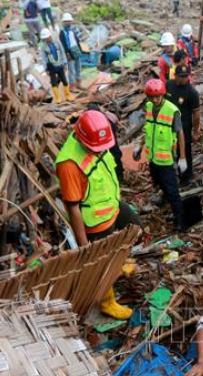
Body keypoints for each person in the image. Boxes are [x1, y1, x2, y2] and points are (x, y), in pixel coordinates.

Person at [55, 110, 141, 319]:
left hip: (112, 206)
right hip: (95, 221)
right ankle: (107, 301)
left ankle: (119, 264)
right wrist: (84, 243)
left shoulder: (98, 140)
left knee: (134, 225)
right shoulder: (69, 164)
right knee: (102, 261)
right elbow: (72, 206)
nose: (100, 151)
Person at [136, 79, 187, 231]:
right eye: (152, 97)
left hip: (166, 160)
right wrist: (140, 145)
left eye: (158, 96)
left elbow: (180, 134)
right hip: (153, 158)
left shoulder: (172, 110)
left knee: (173, 191)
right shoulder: (150, 107)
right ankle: (165, 201)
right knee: (159, 183)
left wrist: (182, 157)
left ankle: (180, 220)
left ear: (163, 94)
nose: (155, 100)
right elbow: (148, 129)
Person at [166, 65, 200, 186]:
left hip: (184, 126)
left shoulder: (192, 92)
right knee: (169, 148)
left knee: (184, 150)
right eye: (181, 76)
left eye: (186, 76)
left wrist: (196, 131)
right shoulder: (169, 85)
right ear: (175, 75)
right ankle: (171, 173)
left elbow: (196, 113)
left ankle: (186, 176)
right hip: (168, 123)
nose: (184, 79)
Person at [40, 28, 74, 103]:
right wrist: (46, 69)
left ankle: (68, 95)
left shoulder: (57, 41)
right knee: (53, 82)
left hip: (60, 65)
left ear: (50, 36)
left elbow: (62, 52)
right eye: (45, 39)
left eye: (47, 38)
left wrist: (65, 63)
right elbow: (43, 58)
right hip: (51, 66)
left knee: (64, 80)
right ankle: (58, 98)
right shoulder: (43, 46)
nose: (47, 40)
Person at [59, 13, 84, 92]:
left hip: (76, 51)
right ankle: (72, 87)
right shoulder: (62, 33)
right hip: (70, 53)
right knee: (71, 70)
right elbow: (63, 45)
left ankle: (78, 84)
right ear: (63, 22)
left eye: (69, 21)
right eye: (66, 21)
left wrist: (80, 50)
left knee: (78, 68)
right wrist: (67, 53)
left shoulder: (72, 31)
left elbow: (76, 41)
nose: (68, 23)